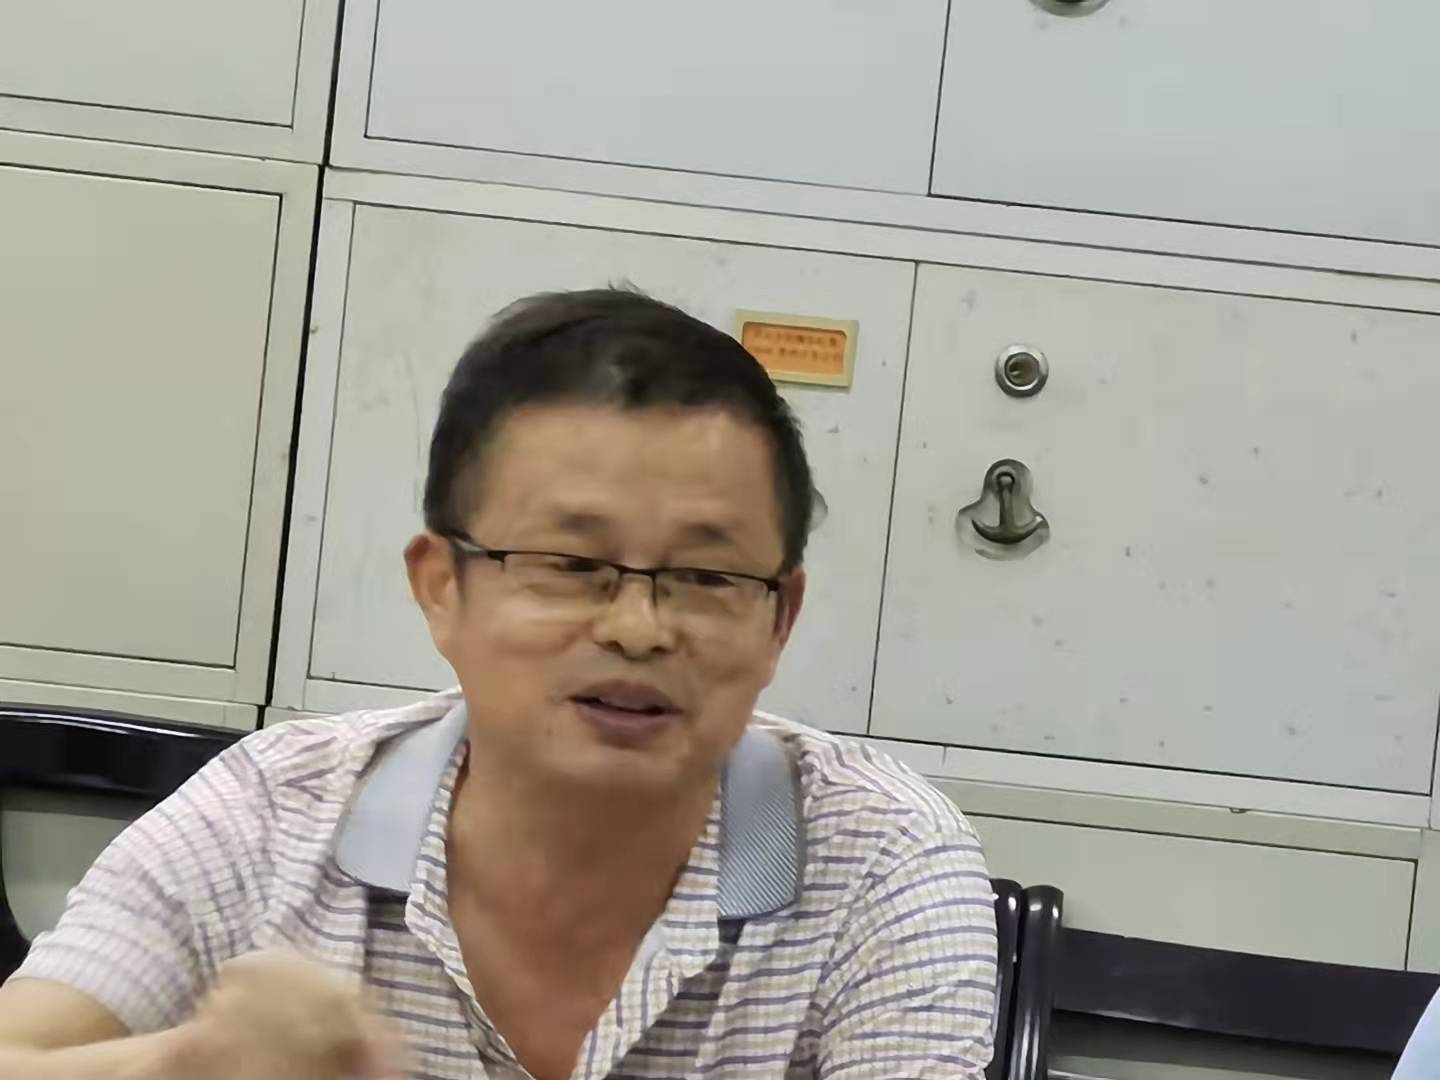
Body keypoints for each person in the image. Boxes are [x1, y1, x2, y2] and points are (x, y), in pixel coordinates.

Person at [0, 289, 998, 1078]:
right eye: (571, 564)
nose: (638, 628)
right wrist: (177, 1068)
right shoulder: (273, 813)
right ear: (442, 588)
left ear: (779, 618)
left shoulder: (878, 857)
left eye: (706, 576)